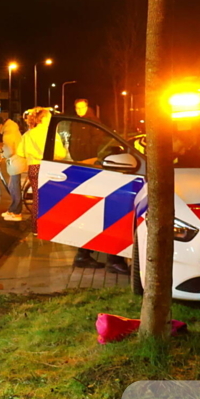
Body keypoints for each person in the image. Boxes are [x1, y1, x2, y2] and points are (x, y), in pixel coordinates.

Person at [69, 98, 129, 274]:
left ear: (88, 107)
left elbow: (99, 144)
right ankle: (109, 257)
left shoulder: (93, 122)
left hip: (90, 166)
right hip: (88, 167)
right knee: (99, 212)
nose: (79, 110)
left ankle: (85, 254)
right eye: (77, 107)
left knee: (94, 212)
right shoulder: (78, 123)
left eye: (82, 107)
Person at [21, 107, 65, 235]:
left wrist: (33, 155)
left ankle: (36, 228)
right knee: (50, 198)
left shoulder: (29, 133)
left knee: (37, 198)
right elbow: (60, 153)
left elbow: (20, 152)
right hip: (48, 167)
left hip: (33, 168)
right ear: (45, 118)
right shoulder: (51, 134)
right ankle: (49, 226)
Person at [0, 119, 26, 222]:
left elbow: (9, 151)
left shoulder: (8, 133)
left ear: (0, 125)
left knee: (14, 188)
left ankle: (16, 213)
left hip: (16, 162)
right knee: (12, 186)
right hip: (17, 161)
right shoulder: (12, 129)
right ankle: (12, 209)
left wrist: (3, 153)